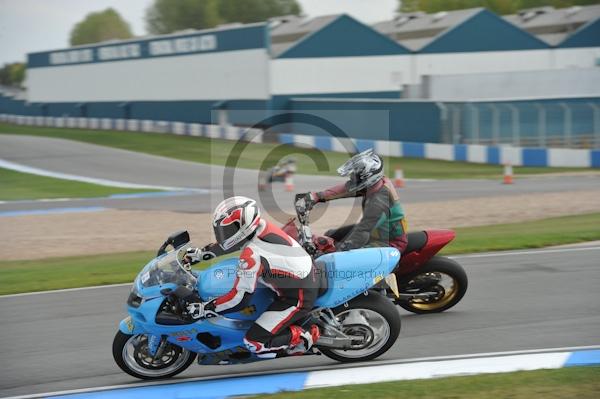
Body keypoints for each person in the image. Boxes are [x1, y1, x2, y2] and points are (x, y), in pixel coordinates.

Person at [182, 196, 321, 358]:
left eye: (227, 231)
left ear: (243, 227)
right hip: (301, 273)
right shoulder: (260, 225)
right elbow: (233, 243)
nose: (223, 235)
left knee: (254, 342)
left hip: (298, 296)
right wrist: (201, 255)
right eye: (221, 230)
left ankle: (306, 334)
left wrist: (206, 308)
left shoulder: (252, 255)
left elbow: (239, 299)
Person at [299, 148, 408, 253]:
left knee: (339, 256)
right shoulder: (376, 183)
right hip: (376, 232)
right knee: (331, 234)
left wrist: (337, 250)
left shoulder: (379, 202)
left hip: (390, 243)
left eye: (355, 176)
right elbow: (346, 189)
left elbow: (363, 232)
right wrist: (316, 196)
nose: (352, 178)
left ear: (368, 177)